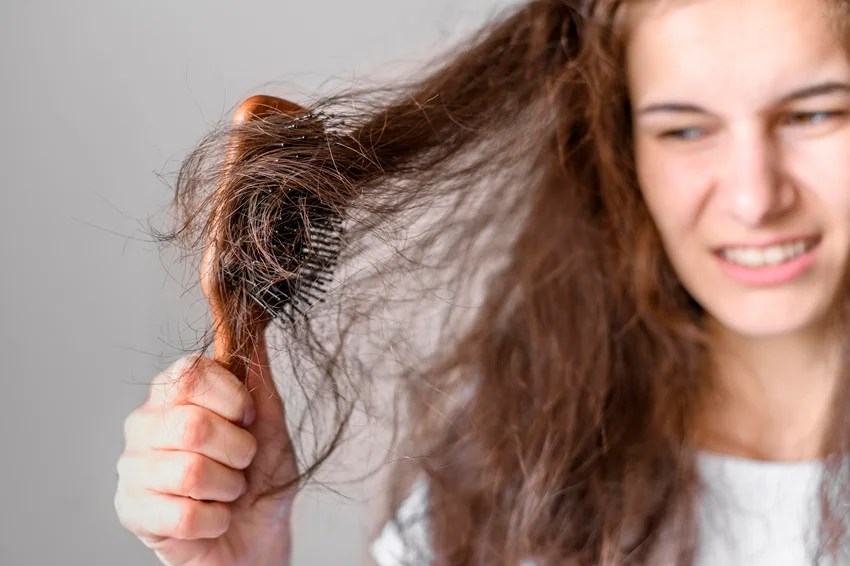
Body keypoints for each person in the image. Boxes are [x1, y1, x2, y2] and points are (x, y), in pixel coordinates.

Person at [114, 0, 850, 563]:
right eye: (684, 129)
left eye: (815, 114)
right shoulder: (509, 467)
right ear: (622, 151)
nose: (756, 199)